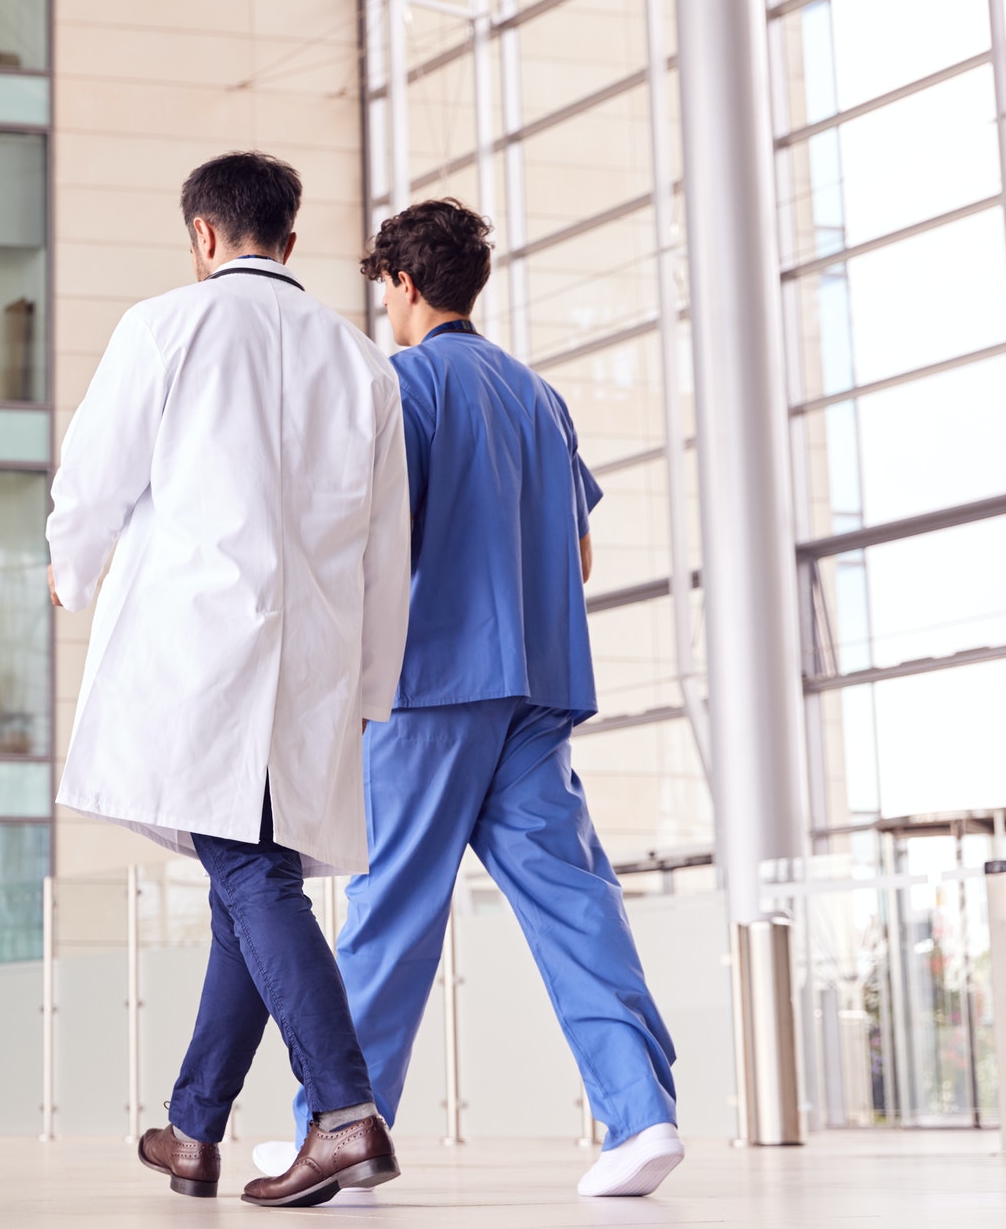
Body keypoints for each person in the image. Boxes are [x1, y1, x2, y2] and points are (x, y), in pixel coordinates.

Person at [250, 199, 683, 1199]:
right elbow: (575, 552)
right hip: (534, 689)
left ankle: (340, 1127)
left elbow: (375, 538)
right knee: (575, 904)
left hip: (434, 687)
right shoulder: (538, 397)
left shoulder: (406, 382)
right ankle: (639, 1113)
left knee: (389, 908)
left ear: (400, 285)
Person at [47, 151, 412, 1209]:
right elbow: (391, 547)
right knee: (244, 887)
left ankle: (343, 1115)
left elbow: (96, 468)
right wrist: (370, 681)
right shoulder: (360, 363)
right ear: (287, 241)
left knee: (249, 878)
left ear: (203, 237)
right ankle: (194, 1128)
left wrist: (69, 567)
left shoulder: (164, 326)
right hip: (309, 664)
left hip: (198, 648)